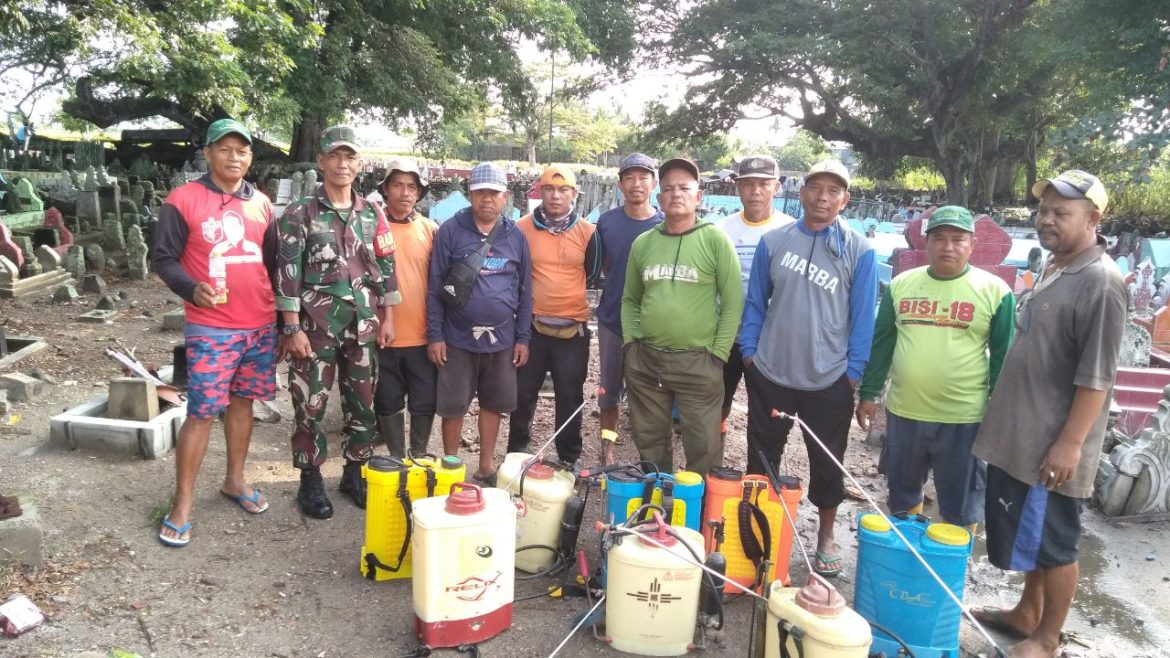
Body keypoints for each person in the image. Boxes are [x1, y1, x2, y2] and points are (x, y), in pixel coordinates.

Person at [970, 171, 1125, 658]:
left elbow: (1095, 376)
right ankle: (1026, 612)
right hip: (1022, 433)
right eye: (1044, 212)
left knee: (1056, 542)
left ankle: (1048, 638)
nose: (1048, 221)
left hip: (1052, 442)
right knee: (1031, 535)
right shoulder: (1058, 267)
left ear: (1093, 220)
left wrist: (1070, 443)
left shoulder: (1100, 282)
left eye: (1062, 214)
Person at [739, 159, 877, 577]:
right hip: (771, 371)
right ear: (801, 193)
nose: (823, 196)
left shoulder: (860, 250)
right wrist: (749, 352)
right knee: (762, 457)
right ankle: (758, 534)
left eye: (834, 191)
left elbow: (864, 316)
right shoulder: (775, 242)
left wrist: (852, 372)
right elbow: (755, 302)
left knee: (827, 460)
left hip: (828, 378)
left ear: (845, 199)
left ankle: (825, 537)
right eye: (816, 187)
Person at [152, 118, 277, 547]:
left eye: (241, 150)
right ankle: (182, 503)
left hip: (258, 325)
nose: (234, 157)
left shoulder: (261, 203)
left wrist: (280, 317)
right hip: (212, 329)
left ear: (250, 158)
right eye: (224, 149)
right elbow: (163, 258)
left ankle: (235, 481)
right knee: (202, 412)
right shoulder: (183, 199)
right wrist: (191, 288)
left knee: (243, 404)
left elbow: (272, 263)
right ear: (207, 154)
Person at [855, 206, 1014, 530]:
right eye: (939, 238)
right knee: (902, 498)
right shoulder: (901, 285)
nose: (948, 246)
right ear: (927, 244)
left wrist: (999, 413)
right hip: (905, 413)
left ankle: (951, 573)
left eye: (958, 239)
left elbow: (1003, 357)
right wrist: (868, 393)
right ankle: (909, 562)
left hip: (964, 418)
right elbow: (883, 342)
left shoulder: (995, 291)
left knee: (961, 506)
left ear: (972, 243)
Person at [276, 125, 400, 519]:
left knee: (362, 405)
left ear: (358, 163)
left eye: (349, 157)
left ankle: (354, 472)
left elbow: (386, 265)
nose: (342, 164)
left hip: (363, 325)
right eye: (335, 156)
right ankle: (310, 478)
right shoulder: (300, 213)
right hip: (315, 327)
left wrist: (389, 316)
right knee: (310, 405)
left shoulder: (371, 211)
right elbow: (287, 271)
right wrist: (291, 327)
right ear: (322, 161)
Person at [621, 157, 743, 477]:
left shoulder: (715, 240)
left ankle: (697, 510)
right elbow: (631, 299)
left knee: (702, 442)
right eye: (669, 188)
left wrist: (718, 355)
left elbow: (732, 302)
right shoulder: (643, 243)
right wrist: (630, 343)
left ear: (698, 196)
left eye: (685, 188)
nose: (676, 194)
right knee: (650, 437)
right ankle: (655, 497)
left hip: (698, 363)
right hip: (646, 360)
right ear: (659, 198)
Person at [426, 162, 532, 484]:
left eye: (494, 193)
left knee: (493, 404)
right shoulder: (450, 231)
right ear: (470, 194)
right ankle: (451, 466)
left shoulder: (516, 237)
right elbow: (434, 288)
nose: (487, 199)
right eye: (480, 192)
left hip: (502, 340)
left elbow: (526, 290)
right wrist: (435, 335)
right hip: (457, 338)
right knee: (453, 405)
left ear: (506, 197)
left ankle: (486, 466)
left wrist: (523, 337)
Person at [508, 166, 601, 465]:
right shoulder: (521, 228)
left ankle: (568, 458)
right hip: (530, 327)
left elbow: (594, 273)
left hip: (572, 329)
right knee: (523, 394)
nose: (556, 195)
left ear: (574, 194)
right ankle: (517, 452)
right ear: (540, 191)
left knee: (570, 396)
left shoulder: (589, 232)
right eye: (549, 189)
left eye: (563, 190)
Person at [716, 154, 795, 435]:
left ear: (777, 187)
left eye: (764, 183)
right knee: (718, 401)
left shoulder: (790, 231)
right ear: (738, 187)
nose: (756, 191)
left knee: (766, 407)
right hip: (727, 334)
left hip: (770, 337)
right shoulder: (722, 230)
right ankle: (716, 453)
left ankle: (761, 466)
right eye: (748, 183)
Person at [595, 153, 663, 465]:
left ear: (653, 182)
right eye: (630, 178)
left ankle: (646, 457)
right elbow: (606, 266)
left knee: (648, 393)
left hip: (652, 324)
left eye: (643, 177)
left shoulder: (665, 224)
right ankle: (608, 450)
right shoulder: (607, 222)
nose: (637, 184)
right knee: (609, 390)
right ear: (621, 184)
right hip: (612, 320)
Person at [373, 159, 439, 458]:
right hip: (381, 335)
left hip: (422, 335)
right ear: (386, 189)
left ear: (419, 193)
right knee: (387, 399)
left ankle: (420, 455)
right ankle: (397, 457)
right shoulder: (370, 227)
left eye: (412, 186)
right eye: (397, 184)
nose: (404, 192)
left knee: (425, 399)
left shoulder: (430, 230)